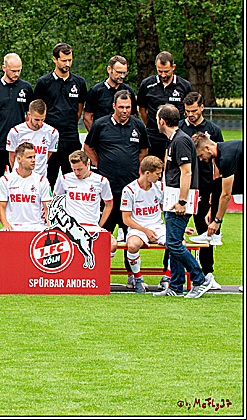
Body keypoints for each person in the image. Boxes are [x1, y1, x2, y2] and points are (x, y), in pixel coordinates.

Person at [153, 104, 210, 298]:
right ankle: (176, 286)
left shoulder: (181, 141)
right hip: (173, 198)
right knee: (172, 243)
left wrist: (182, 201)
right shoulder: (174, 140)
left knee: (175, 243)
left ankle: (200, 279)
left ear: (162, 121)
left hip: (180, 200)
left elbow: (187, 172)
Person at [83, 91, 149, 242]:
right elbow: (88, 147)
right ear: (114, 106)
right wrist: (99, 164)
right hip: (108, 188)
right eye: (121, 107)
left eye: (128, 107)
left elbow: (144, 150)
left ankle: (130, 265)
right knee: (103, 234)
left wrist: (133, 165)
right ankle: (102, 266)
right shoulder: (100, 124)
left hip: (130, 187)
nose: (124, 111)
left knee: (132, 236)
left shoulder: (138, 125)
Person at [179, 92, 224, 280]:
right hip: (182, 187)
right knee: (176, 230)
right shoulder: (180, 128)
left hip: (205, 186)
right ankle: (171, 272)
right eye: (187, 111)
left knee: (205, 231)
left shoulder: (213, 129)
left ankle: (208, 272)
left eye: (194, 111)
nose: (190, 114)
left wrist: (217, 188)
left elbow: (220, 162)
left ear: (202, 108)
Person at [33, 43, 87, 185]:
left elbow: (79, 109)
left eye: (70, 60)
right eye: (64, 60)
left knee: (73, 181)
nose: (67, 64)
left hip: (71, 138)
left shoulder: (79, 82)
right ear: (55, 59)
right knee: (47, 181)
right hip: (49, 139)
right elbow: (37, 109)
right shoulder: (43, 83)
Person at [53, 151, 117, 256]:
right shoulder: (65, 179)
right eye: (74, 170)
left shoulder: (101, 181)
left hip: (91, 226)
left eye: (80, 169)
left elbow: (109, 204)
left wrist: (100, 224)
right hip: (70, 227)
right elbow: (55, 201)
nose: (77, 173)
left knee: (112, 244)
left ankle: (103, 272)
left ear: (88, 164)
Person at [0, 53, 33, 183]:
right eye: (13, 71)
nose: (17, 74)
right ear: (4, 68)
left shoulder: (26, 87)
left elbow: (29, 114)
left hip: (18, 144)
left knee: (18, 181)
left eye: (19, 70)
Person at [121, 156, 166, 293]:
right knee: (133, 245)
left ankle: (167, 278)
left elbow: (166, 210)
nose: (160, 176)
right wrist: (145, 231)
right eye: (157, 174)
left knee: (177, 242)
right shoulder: (129, 190)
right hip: (138, 227)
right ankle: (138, 278)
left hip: (157, 226)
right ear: (147, 173)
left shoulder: (160, 187)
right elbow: (126, 219)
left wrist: (177, 228)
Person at [138, 51, 193, 160]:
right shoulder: (146, 84)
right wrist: (152, 126)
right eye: (160, 71)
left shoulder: (185, 86)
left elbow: (189, 109)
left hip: (177, 136)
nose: (163, 75)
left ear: (173, 67)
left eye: (166, 71)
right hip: (154, 136)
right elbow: (142, 109)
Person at [192, 135, 242, 249]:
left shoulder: (226, 158)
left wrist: (217, 221)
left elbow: (226, 195)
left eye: (200, 155)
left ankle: (215, 233)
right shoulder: (221, 154)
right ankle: (215, 235)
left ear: (207, 148)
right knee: (216, 185)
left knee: (219, 187)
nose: (200, 159)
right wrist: (212, 210)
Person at [0, 143, 52, 232]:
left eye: (34, 157)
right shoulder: (6, 180)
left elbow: (48, 207)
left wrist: (50, 225)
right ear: (18, 159)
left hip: (36, 226)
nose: (33, 160)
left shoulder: (42, 180)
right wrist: (6, 224)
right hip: (13, 226)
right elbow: (1, 207)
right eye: (29, 157)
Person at [6, 99, 58, 178]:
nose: (39, 123)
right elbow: (12, 156)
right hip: (19, 177)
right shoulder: (16, 132)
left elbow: (48, 154)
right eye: (36, 119)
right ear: (29, 114)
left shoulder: (52, 132)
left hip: (40, 177)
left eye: (42, 119)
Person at [83, 55, 137, 129]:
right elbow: (87, 118)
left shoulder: (129, 92)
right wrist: (95, 136)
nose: (122, 76)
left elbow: (132, 116)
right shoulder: (96, 91)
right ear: (109, 69)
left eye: (124, 73)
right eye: (119, 72)